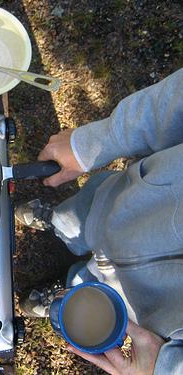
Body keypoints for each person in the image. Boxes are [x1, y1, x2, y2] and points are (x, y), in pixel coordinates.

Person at [15, 68, 183, 375]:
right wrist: (93, 143)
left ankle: (65, 293)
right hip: (133, 202)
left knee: (93, 305)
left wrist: (168, 368)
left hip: (148, 303)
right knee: (82, 213)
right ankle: (55, 221)